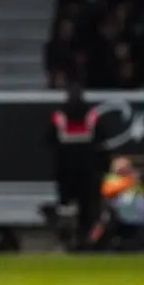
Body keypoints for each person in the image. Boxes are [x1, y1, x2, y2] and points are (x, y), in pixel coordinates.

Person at [46, 83, 104, 250]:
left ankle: (67, 236)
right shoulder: (91, 117)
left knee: (66, 204)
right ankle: (85, 236)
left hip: (65, 169)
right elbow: (102, 138)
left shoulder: (60, 118)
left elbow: (48, 139)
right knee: (87, 204)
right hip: (87, 169)